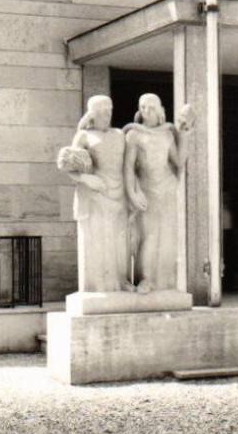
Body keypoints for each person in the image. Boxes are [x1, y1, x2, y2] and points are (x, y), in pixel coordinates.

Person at [57, 95, 128, 294]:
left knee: (118, 242)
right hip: (95, 195)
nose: (107, 114)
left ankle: (119, 281)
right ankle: (99, 286)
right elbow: (68, 164)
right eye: (102, 111)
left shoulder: (119, 134)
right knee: (98, 239)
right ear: (93, 114)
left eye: (109, 110)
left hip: (118, 192)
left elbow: (128, 165)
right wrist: (86, 179)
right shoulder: (84, 136)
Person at [122, 94, 192, 295]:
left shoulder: (167, 134)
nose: (147, 111)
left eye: (151, 107)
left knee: (167, 236)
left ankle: (165, 281)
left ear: (159, 110)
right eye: (143, 107)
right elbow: (128, 167)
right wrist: (132, 193)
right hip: (146, 190)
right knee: (148, 236)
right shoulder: (133, 135)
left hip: (167, 189)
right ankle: (146, 279)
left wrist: (185, 134)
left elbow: (179, 161)